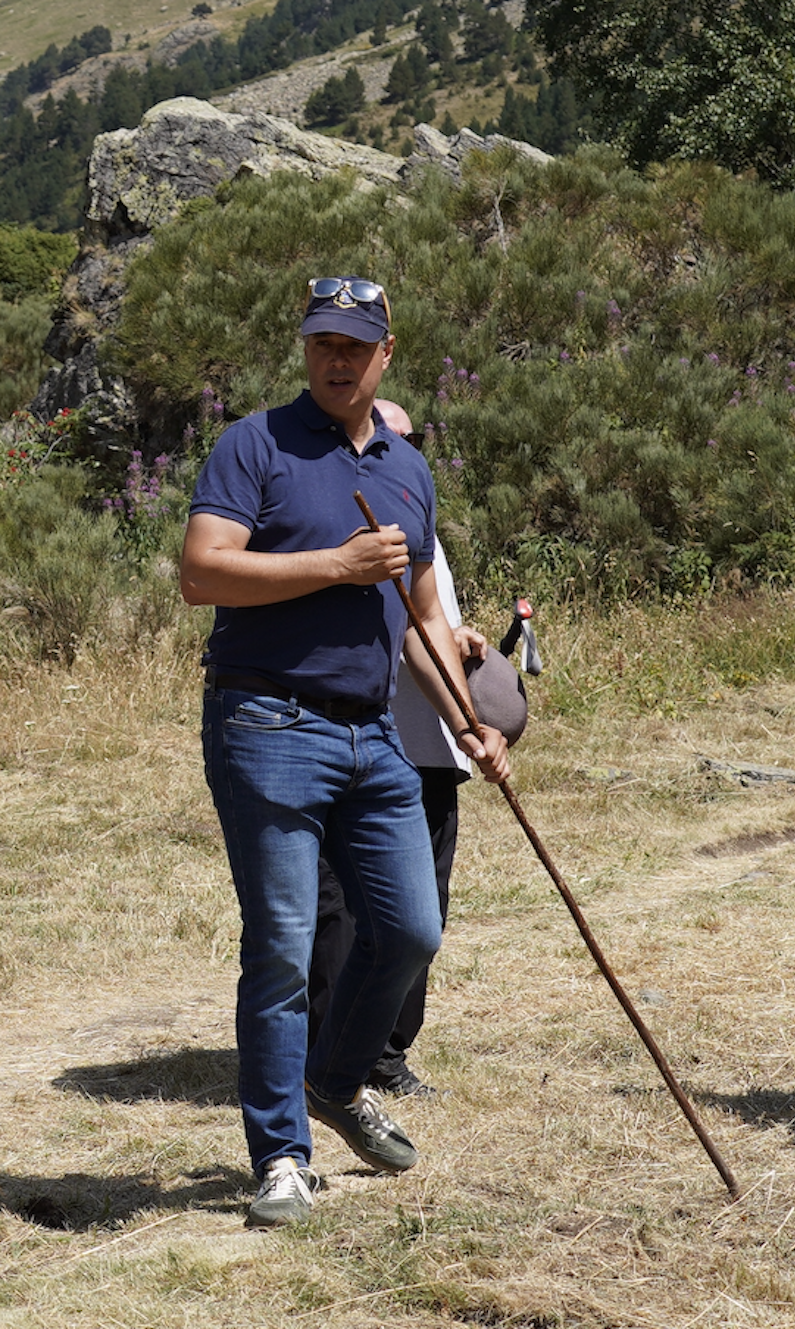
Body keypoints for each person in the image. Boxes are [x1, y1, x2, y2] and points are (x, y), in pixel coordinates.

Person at [180, 275, 511, 1228]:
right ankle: (282, 1156)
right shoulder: (255, 443)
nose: (337, 359)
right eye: (323, 342)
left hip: (375, 732)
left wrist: (467, 716)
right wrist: (336, 565)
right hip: (268, 724)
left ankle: (335, 1075)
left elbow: (419, 616)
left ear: (386, 355)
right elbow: (203, 572)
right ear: (306, 348)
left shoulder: (408, 468)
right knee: (283, 948)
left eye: (355, 346)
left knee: (412, 927)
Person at [308, 400, 480, 1100]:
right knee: (340, 912)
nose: (396, 451)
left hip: (433, 748)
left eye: (408, 442)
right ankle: (335, 1057)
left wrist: (465, 669)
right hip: (361, 743)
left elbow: (430, 616)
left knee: (422, 911)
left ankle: (385, 1051)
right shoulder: (335, 520)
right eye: (385, 438)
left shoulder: (418, 514)